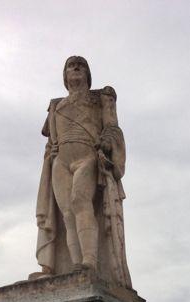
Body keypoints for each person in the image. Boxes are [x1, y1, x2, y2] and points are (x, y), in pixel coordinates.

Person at [32, 56, 131, 288]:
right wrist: (51, 150)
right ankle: (76, 267)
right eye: (70, 65)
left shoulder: (99, 99)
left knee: (80, 201)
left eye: (81, 65)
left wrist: (107, 143)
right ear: (65, 77)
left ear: (87, 74)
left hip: (86, 157)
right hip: (61, 162)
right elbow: (50, 140)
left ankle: (90, 262)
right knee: (66, 214)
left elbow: (112, 129)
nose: (75, 68)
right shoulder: (56, 106)